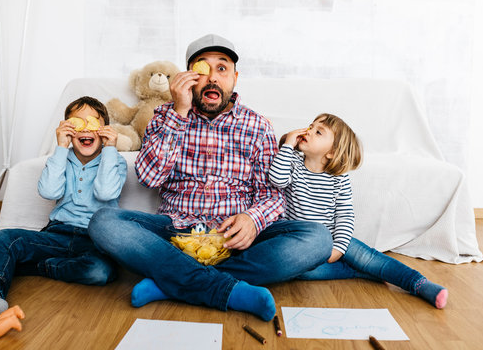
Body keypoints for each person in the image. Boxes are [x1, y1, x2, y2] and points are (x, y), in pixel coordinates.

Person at [88, 34, 333, 322]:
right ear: (188, 76)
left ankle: (172, 282)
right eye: (203, 68)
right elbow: (149, 177)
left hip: (235, 239)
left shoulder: (257, 126)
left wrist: (253, 220)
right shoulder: (164, 116)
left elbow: (272, 195)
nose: (213, 78)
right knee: (103, 222)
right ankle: (225, 288)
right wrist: (179, 112)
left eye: (222, 68)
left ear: (235, 78)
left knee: (318, 238)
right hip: (175, 234)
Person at [0, 96, 128, 316]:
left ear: (105, 130)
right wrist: (61, 148)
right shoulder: (60, 158)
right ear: (66, 129)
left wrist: (111, 149)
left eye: (93, 122)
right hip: (57, 233)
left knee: (99, 272)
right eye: (76, 123)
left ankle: (37, 266)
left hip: (95, 240)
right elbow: (49, 191)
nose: (85, 129)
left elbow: (105, 192)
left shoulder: (115, 161)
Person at [269, 113, 448, 309]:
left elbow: (345, 214)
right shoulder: (292, 162)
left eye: (318, 132)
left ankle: (418, 283)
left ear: (331, 152)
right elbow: (276, 179)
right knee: (300, 270)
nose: (309, 131)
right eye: (310, 126)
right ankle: (356, 271)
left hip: (332, 237)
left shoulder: (339, 178)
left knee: (368, 257)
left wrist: (339, 247)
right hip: (302, 243)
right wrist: (287, 144)